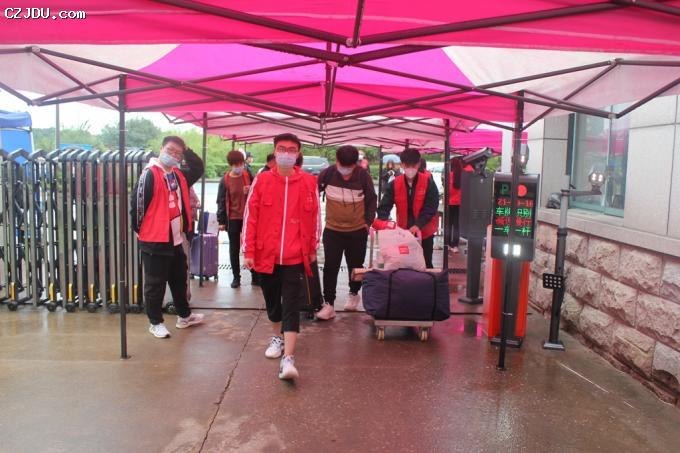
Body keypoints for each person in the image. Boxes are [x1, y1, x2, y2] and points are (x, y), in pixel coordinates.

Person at [242, 133, 320, 380]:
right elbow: (250, 217)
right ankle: (277, 337)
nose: (286, 153)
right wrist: (248, 251)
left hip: (296, 255)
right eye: (282, 149)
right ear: (275, 152)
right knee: (273, 302)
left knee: (292, 304)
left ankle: (289, 358)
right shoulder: (262, 180)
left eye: (292, 149)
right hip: (267, 254)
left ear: (298, 154)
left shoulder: (308, 181)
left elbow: (316, 217)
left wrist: (312, 248)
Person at [131, 136, 205, 338]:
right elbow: (137, 207)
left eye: (177, 153)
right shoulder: (150, 174)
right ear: (161, 148)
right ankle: (155, 322)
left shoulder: (178, 174)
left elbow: (198, 168)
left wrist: (186, 150)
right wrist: (142, 232)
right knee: (155, 284)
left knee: (179, 280)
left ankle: (184, 316)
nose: (173, 155)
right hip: (155, 239)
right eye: (170, 150)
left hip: (175, 238)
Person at [316, 145, 377, 319]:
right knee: (330, 267)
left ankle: (354, 293)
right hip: (332, 230)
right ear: (337, 161)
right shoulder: (327, 174)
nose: (345, 171)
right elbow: (312, 194)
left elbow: (372, 200)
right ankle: (329, 303)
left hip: (357, 230)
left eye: (349, 167)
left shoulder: (363, 176)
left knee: (355, 266)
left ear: (355, 164)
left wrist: (367, 222)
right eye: (342, 166)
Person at [376, 148, 439, 268]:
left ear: (418, 164)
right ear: (402, 165)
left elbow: (431, 207)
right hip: (403, 233)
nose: (410, 169)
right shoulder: (395, 184)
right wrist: (385, 223)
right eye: (407, 165)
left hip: (424, 232)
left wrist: (418, 225)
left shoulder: (428, 182)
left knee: (425, 263)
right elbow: (384, 206)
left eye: (413, 165)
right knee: (403, 263)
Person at [216, 150, 257, 288]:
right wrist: (221, 221)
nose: (239, 167)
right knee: (234, 249)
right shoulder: (225, 180)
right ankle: (236, 277)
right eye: (236, 164)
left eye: (241, 164)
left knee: (250, 246)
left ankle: (255, 275)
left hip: (248, 217)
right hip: (232, 217)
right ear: (231, 164)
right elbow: (221, 201)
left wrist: (251, 190)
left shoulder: (248, 175)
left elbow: (257, 191)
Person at [448, 157, 464, 254]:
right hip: (460, 203)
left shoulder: (450, 175)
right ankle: (455, 245)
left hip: (450, 203)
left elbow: (448, 190)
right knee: (457, 225)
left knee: (449, 224)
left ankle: (448, 244)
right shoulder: (463, 176)